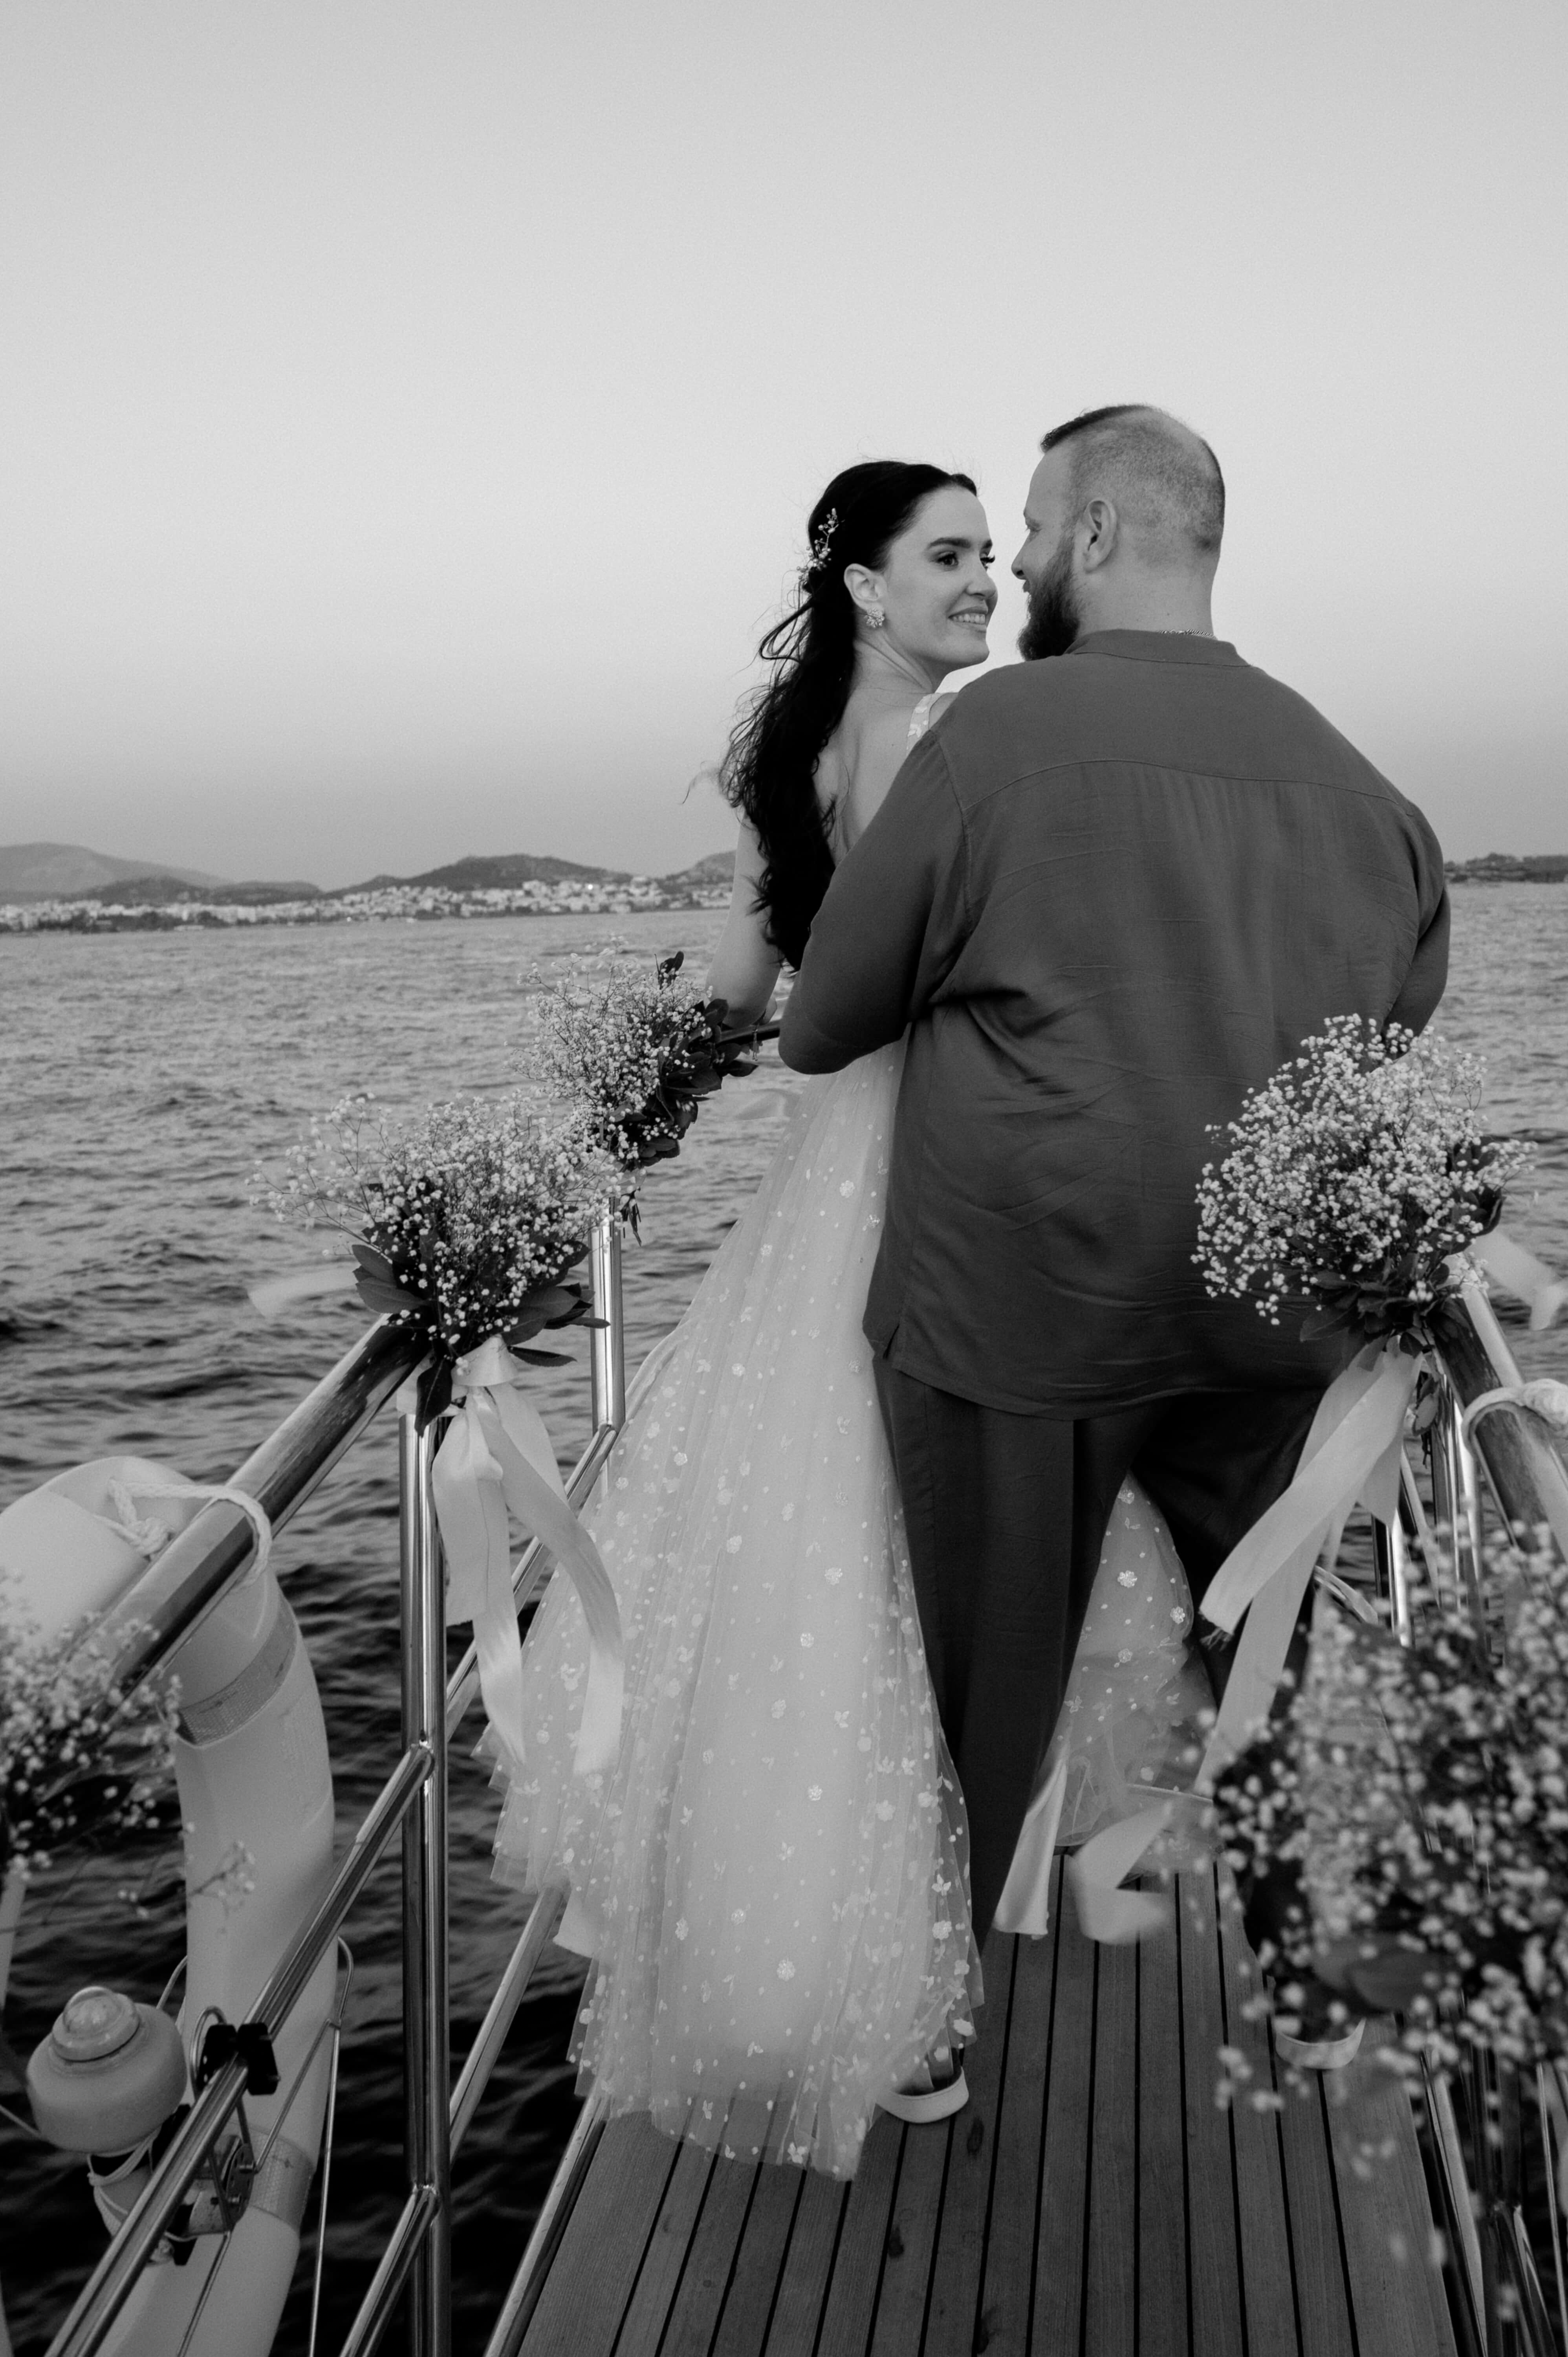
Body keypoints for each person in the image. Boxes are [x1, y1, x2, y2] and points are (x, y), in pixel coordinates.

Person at [491, 458, 1198, 2177]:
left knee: (815, 1564)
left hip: (820, 1192)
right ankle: (914, 1983)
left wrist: (619, 1103)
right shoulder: (937, 747)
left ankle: (845, 1961)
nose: (984, 579)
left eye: (989, 551)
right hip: (942, 1181)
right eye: (948, 555)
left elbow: (745, 986)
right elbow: (977, 972)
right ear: (866, 584)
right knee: (938, 1548)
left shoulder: (798, 762)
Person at [780, 407, 1450, 2000]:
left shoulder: (992, 738)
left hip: (1025, 1311)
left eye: (1026, 527)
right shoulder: (1364, 786)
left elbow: (825, 1022)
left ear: (1091, 534)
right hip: (1271, 1318)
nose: (1013, 562)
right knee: (1271, 1641)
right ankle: (1314, 1973)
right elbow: (1392, 1027)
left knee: (982, 1692)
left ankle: (948, 2007)